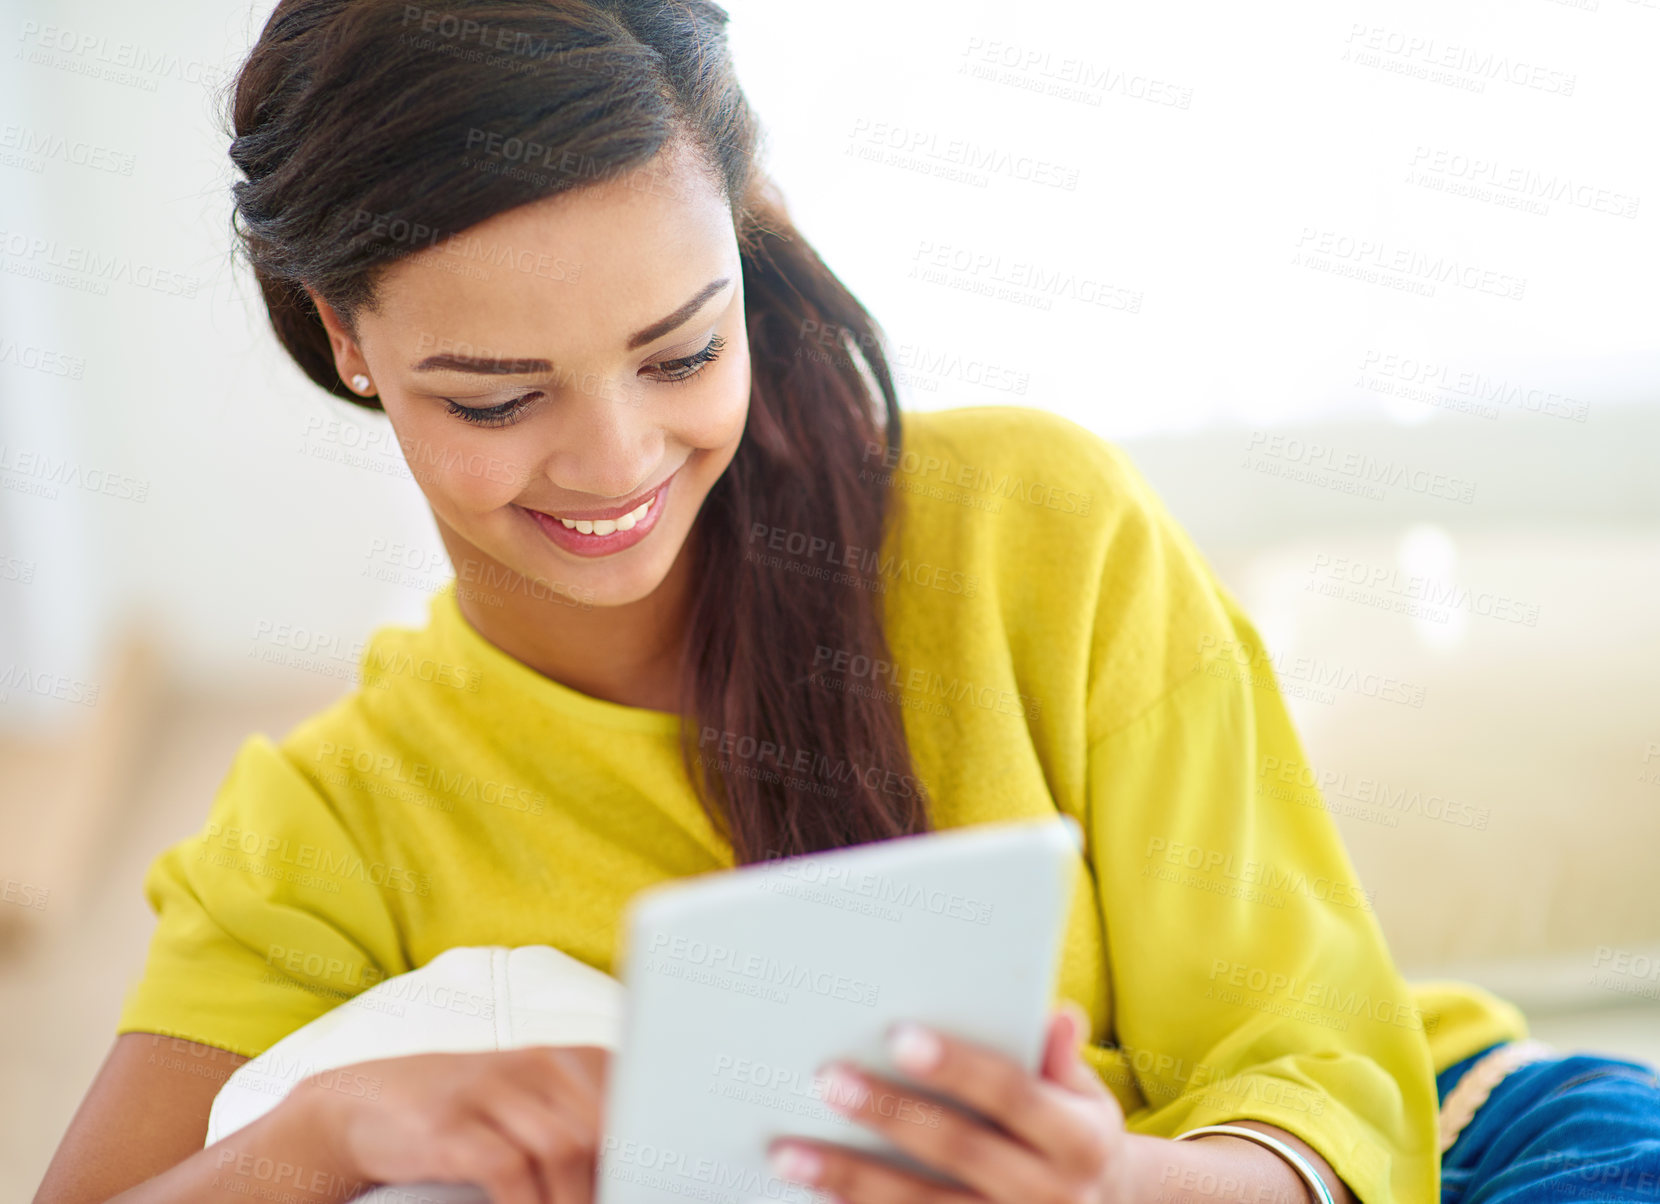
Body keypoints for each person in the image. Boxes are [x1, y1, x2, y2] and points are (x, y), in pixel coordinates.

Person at [32, 2, 1660, 1202]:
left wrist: (1102, 1187)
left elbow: (1327, 1076)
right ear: (348, 340)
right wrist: (322, 1133)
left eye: (681, 352)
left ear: (744, 261)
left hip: (1445, 1149)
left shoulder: (1033, 525)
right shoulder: (332, 826)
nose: (615, 461)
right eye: (494, 395)